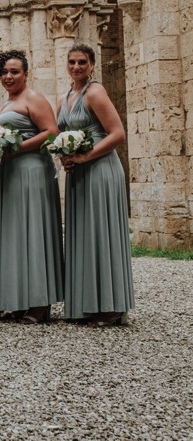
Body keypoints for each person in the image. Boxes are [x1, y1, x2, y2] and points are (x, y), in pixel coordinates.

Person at [56, 43, 134, 327]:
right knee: (83, 233)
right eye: (72, 62)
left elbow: (117, 134)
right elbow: (60, 133)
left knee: (102, 231)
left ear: (92, 65)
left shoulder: (95, 91)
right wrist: (64, 156)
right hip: (79, 172)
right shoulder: (65, 97)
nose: (77, 67)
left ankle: (111, 305)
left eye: (82, 62)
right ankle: (87, 302)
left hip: (100, 169)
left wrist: (85, 156)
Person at [0, 50, 63, 324]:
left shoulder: (33, 98)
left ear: (26, 73)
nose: (9, 77)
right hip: (11, 172)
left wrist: (16, 147)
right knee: (17, 233)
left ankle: (40, 302)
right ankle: (21, 297)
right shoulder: (7, 101)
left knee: (34, 230)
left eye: (15, 72)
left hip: (32, 170)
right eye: (5, 72)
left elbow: (51, 131)